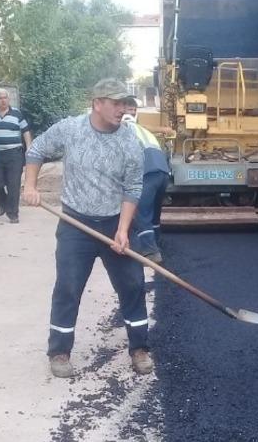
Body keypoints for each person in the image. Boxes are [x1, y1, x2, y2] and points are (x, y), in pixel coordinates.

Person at [22, 79, 153, 378]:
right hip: (75, 223)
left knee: (132, 285)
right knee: (68, 287)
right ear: (97, 103)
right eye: (116, 103)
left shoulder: (130, 141)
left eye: (125, 103)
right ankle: (59, 352)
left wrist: (122, 230)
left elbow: (133, 187)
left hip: (112, 224)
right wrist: (30, 186)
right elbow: (37, 149)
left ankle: (139, 348)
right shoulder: (71, 129)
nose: (123, 109)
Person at [120, 97, 170, 263]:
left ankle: (150, 252)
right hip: (162, 172)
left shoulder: (123, 129)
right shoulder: (143, 130)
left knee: (142, 212)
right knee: (154, 213)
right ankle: (158, 242)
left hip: (147, 172)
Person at [0, 88, 31, 224]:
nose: (3, 100)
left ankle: (13, 214)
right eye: (0, 98)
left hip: (14, 154)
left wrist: (29, 149)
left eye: (5, 98)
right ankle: (3, 203)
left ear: (9, 99)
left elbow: (25, 131)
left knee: (13, 184)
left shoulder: (17, 114)